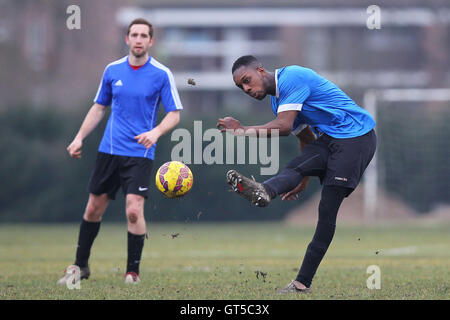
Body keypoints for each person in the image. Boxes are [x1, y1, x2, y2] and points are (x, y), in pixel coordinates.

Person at [217, 55, 376, 293]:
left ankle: (301, 283)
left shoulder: (292, 77)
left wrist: (241, 131)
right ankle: (265, 190)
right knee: (294, 167)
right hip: (330, 139)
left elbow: (283, 127)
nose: (247, 88)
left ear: (261, 70)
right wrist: (303, 177)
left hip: (356, 138)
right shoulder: (277, 102)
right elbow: (305, 138)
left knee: (326, 211)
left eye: (247, 80)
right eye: (241, 87)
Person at [57, 18, 183, 285]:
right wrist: (79, 137)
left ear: (151, 41)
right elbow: (99, 107)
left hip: (140, 153)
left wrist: (155, 132)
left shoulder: (161, 74)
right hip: (109, 150)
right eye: (134, 34)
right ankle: (80, 266)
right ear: (127, 39)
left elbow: (174, 114)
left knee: (134, 210)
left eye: (143, 35)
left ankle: (132, 272)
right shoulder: (112, 70)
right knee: (93, 208)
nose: (138, 39)